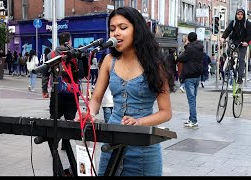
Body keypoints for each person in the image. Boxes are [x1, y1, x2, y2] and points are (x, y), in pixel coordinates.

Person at [77, 7, 175, 176]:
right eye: (112, 29)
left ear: (137, 29)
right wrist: (90, 113)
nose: (116, 33)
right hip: (112, 142)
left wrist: (139, 122)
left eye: (123, 28)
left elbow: (166, 113)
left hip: (143, 148)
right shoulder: (109, 60)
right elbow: (97, 98)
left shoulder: (155, 64)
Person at [41, 32, 83, 150]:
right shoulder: (75, 54)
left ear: (59, 41)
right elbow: (80, 74)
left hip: (57, 92)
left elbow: (45, 74)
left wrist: (44, 89)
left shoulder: (51, 55)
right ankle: (66, 144)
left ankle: (54, 142)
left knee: (55, 118)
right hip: (72, 93)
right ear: (69, 41)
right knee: (70, 120)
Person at [177, 32, 204, 128]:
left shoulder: (190, 48)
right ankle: (191, 118)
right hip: (197, 76)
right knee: (193, 99)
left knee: (191, 100)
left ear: (188, 39)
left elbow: (180, 58)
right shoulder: (200, 47)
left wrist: (185, 46)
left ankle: (193, 120)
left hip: (189, 76)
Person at [220, 8, 251, 84]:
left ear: (243, 16)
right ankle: (231, 64)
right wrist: (223, 37)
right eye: (238, 14)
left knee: (241, 59)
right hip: (234, 41)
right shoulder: (233, 23)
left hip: (243, 43)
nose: (240, 16)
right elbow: (228, 30)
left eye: (241, 15)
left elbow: (249, 34)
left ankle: (240, 76)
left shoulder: (247, 23)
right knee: (229, 52)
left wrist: (246, 42)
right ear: (236, 15)